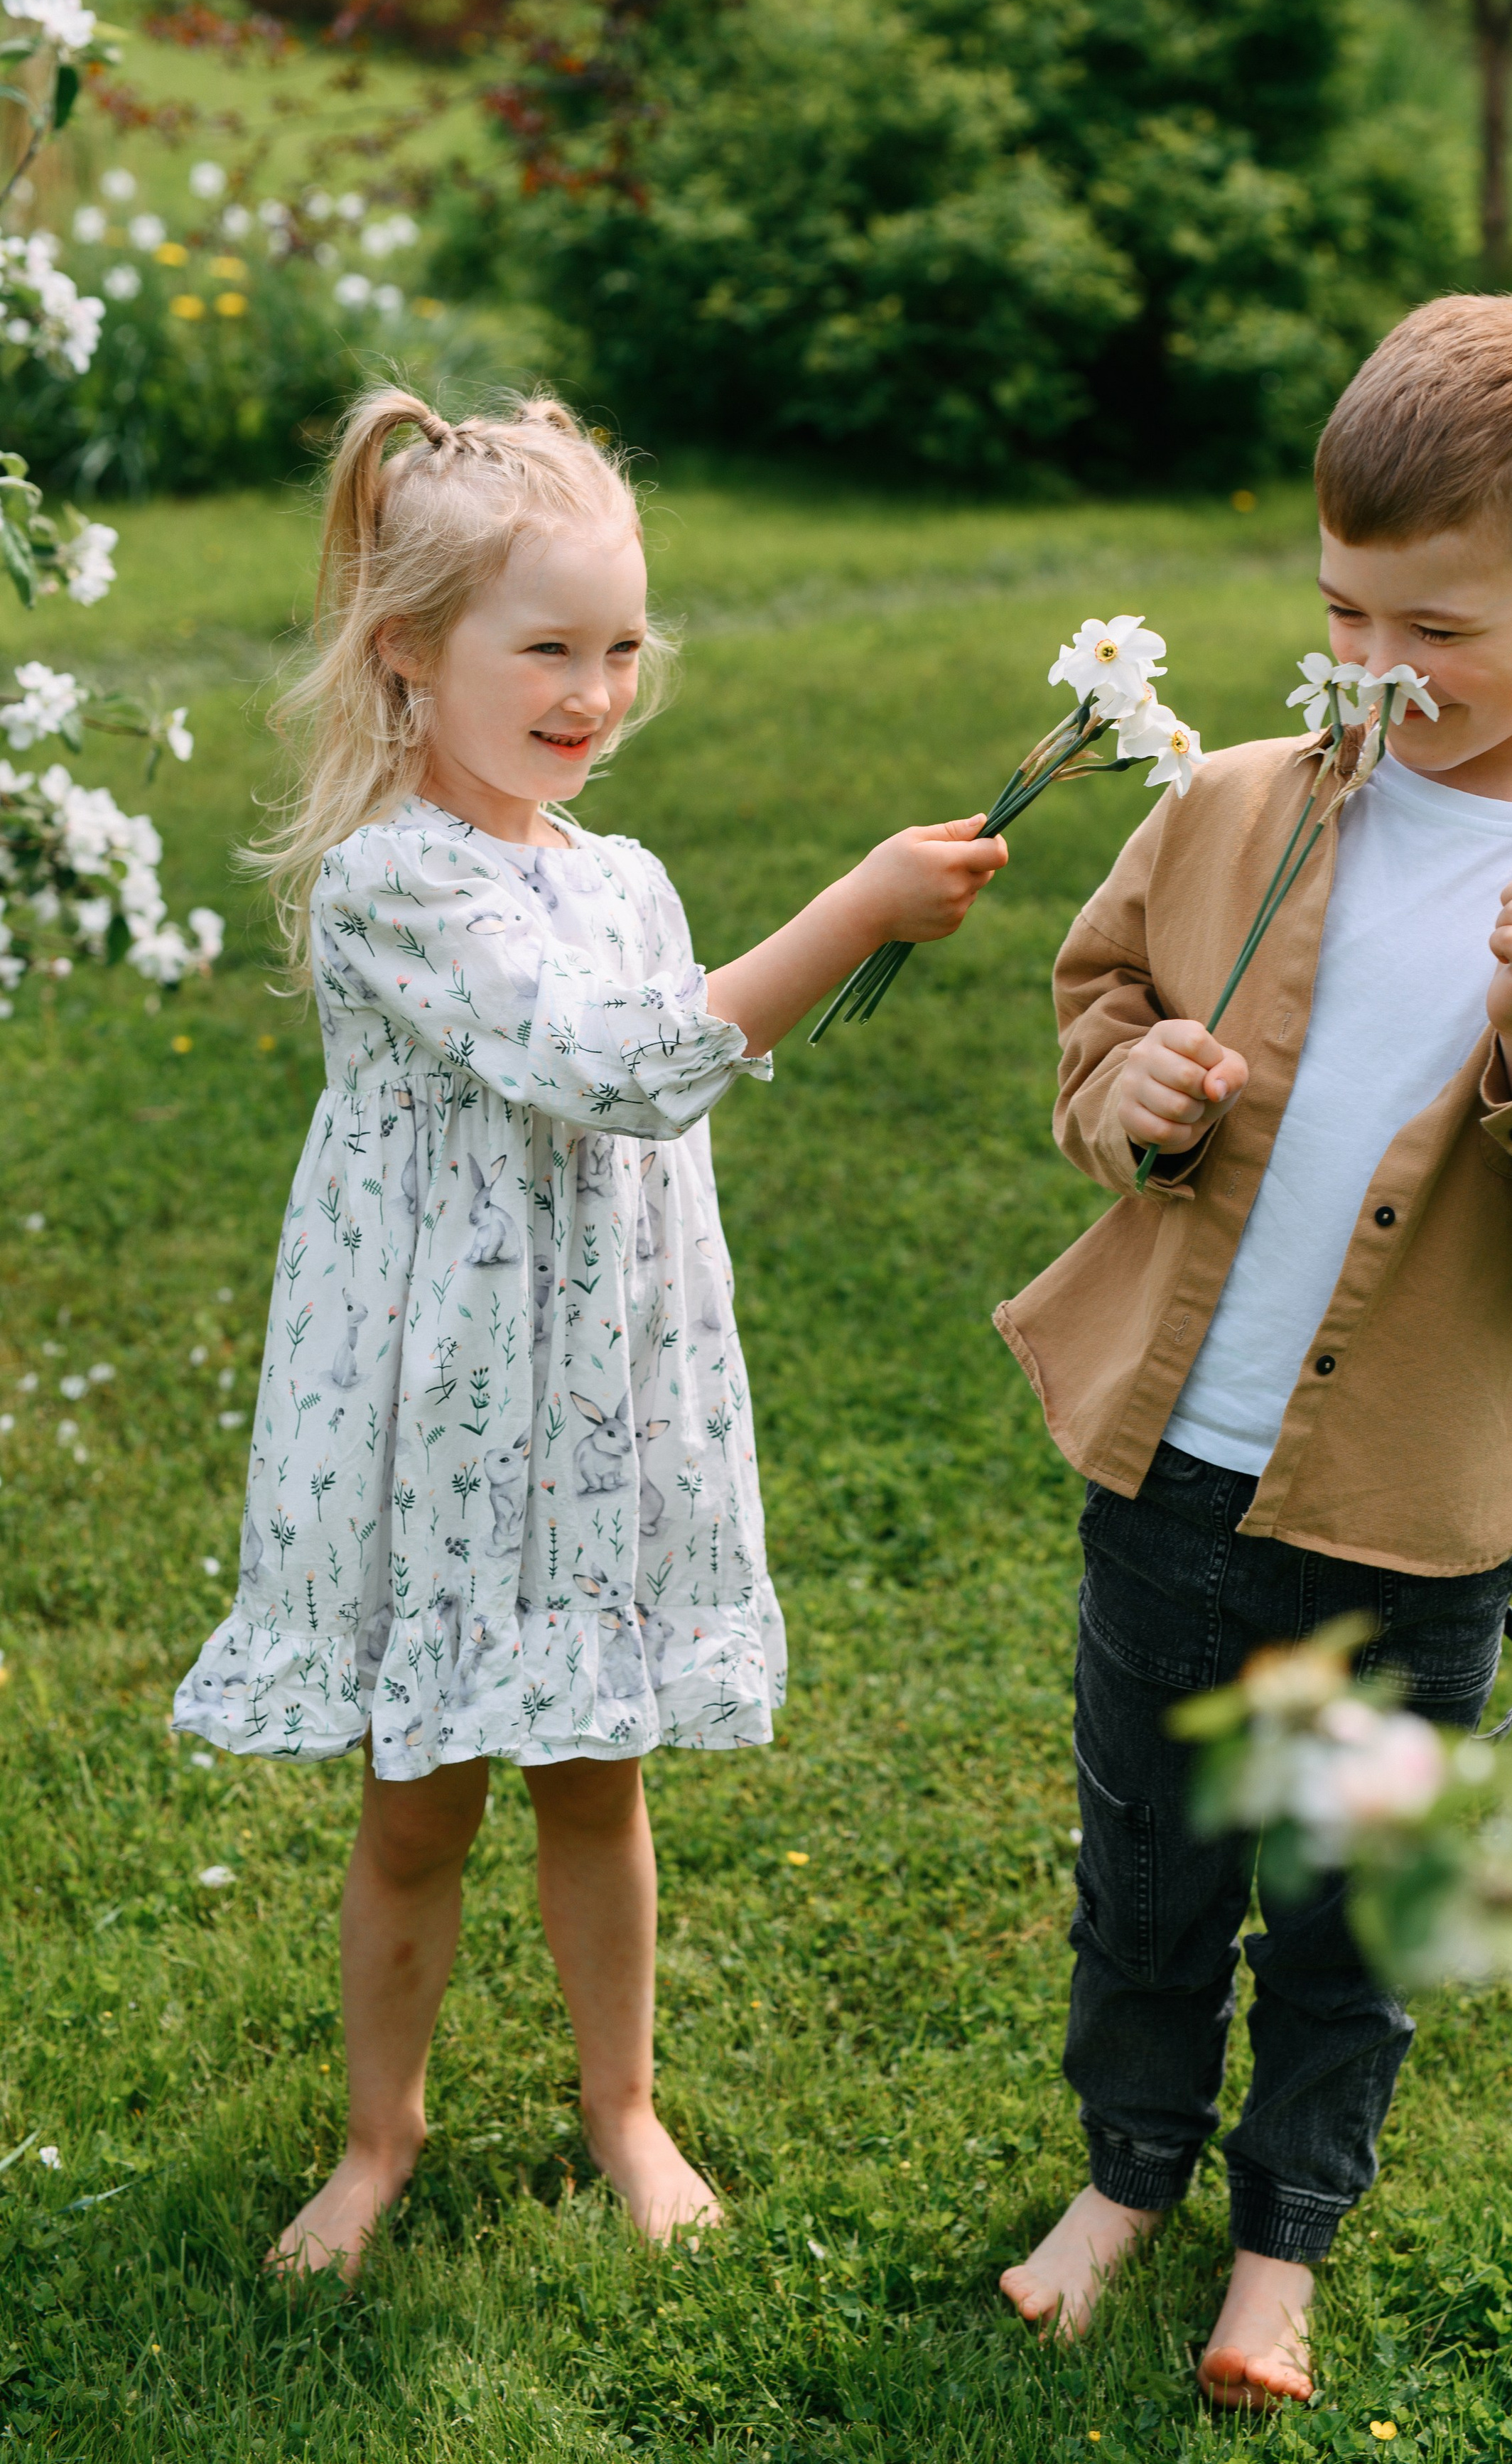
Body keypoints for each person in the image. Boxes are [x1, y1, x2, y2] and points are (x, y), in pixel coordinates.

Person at [991, 297, 1512, 2404]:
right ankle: (1125, 2173)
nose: (1378, 669)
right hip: (1173, 1475)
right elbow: (1100, 996)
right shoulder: (1243, 803)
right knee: (1149, 1860)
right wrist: (1122, 1089)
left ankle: (1281, 2241)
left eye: (1439, 628)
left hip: (1417, 1520)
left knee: (1346, 1917)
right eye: (1343, 612)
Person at [173, 387, 1005, 2277]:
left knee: (594, 1779)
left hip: (594, 1406)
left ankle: (620, 2107)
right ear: (409, 654)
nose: (594, 689)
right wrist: (855, 906)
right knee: (417, 1805)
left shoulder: (618, 875)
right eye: (545, 646)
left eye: (622, 644)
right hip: (440, 1414)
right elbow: (622, 1071)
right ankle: (379, 2138)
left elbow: (654, 1088)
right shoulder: (396, 879)